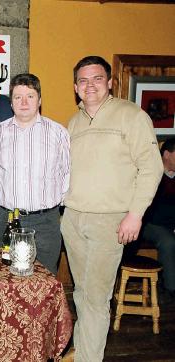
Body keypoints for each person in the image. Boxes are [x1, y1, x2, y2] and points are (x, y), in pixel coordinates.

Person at [60, 55, 163, 361]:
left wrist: (135, 215)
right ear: (76, 87)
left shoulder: (131, 116)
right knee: (81, 292)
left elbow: (151, 168)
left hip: (110, 221)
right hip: (74, 218)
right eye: (83, 80)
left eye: (96, 78)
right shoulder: (73, 123)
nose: (89, 85)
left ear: (109, 82)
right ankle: (83, 351)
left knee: (96, 297)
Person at [0, 73, 70, 275]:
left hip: (45, 222)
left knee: (45, 280)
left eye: (30, 96)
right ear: (11, 102)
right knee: (4, 279)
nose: (24, 102)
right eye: (18, 97)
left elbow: (65, 175)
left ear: (40, 100)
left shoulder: (58, 133)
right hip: (6, 220)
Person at [142, 137, 175, 304]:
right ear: (167, 154)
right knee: (168, 241)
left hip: (169, 224)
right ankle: (171, 288)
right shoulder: (153, 175)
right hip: (149, 224)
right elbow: (152, 211)